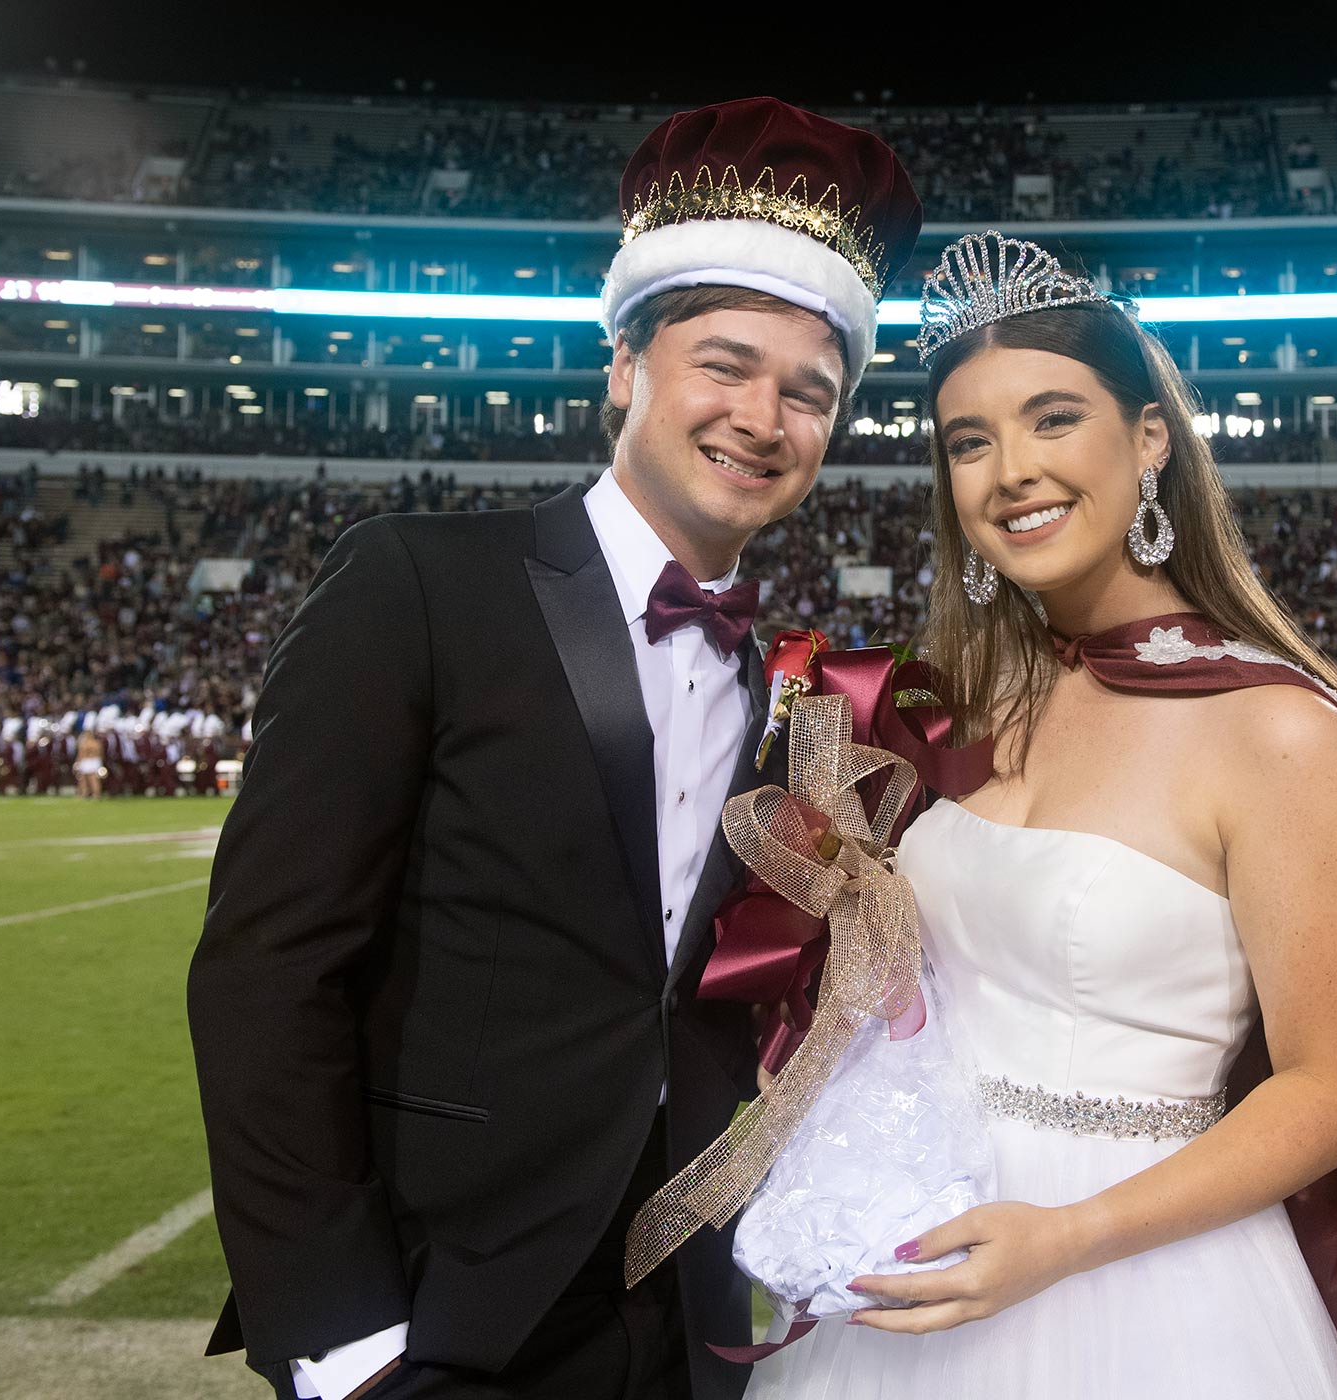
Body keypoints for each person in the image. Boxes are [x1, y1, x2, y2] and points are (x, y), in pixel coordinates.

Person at [188, 98, 920, 1400]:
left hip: (685, 1314)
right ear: (624, 365)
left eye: (811, 393)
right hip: (441, 1306)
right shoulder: (418, 582)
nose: (764, 415)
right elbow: (267, 971)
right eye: (726, 363)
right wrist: (339, 1339)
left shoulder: (798, 685)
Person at [747, 233, 1337, 1398]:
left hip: (1148, 1285)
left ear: (1149, 437)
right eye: (971, 440)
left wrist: (1065, 1236)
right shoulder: (968, 706)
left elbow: (1333, 1091)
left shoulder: (1277, 732)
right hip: (916, 1253)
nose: (1011, 469)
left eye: (1053, 417)